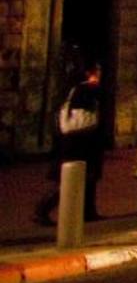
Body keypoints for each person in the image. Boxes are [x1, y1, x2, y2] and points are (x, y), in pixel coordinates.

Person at [35, 61, 105, 226]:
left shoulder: (72, 88)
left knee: (90, 176)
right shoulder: (84, 88)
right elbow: (95, 98)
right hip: (79, 139)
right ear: (89, 73)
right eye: (97, 70)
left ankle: (88, 211)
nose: (100, 74)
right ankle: (42, 210)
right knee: (69, 177)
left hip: (79, 138)